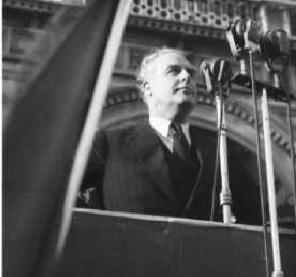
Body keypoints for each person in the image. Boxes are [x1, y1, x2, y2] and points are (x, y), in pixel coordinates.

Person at [80, 47, 214, 220]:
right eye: (173, 71)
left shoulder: (219, 152)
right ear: (148, 87)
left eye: (190, 73)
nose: (186, 76)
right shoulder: (107, 144)